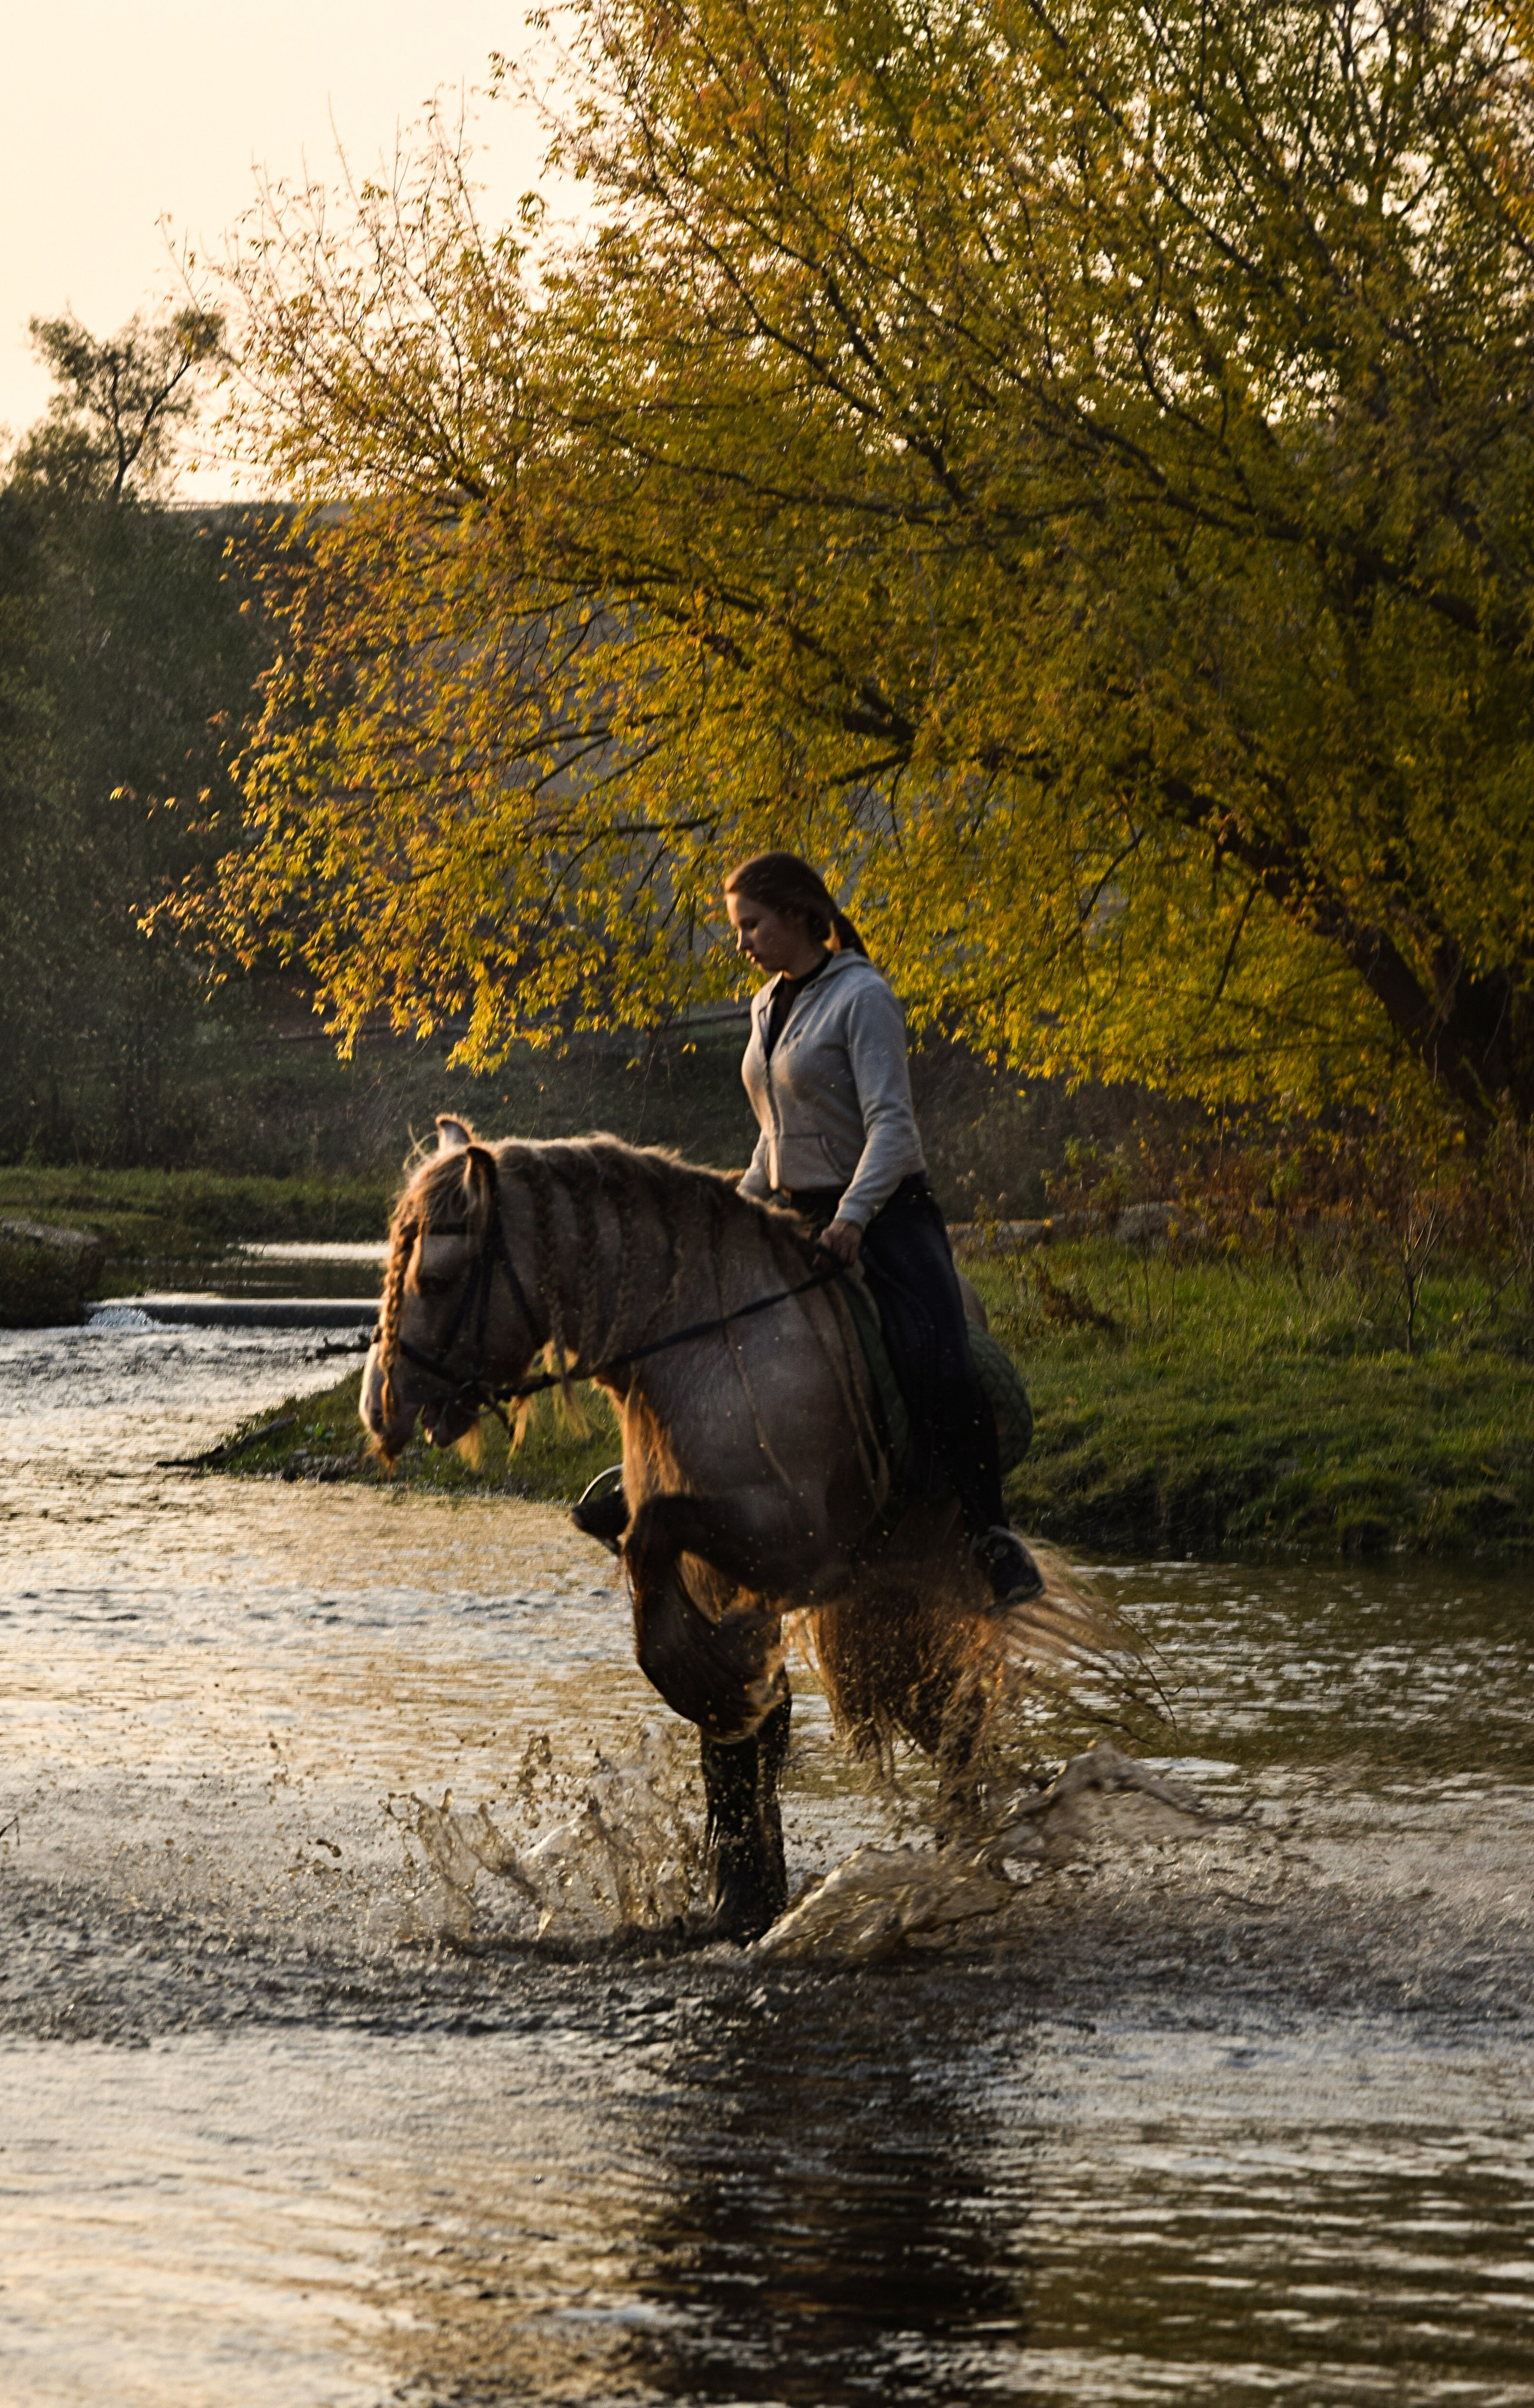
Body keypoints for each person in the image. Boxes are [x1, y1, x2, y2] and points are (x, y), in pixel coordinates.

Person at [726, 850, 1043, 1612]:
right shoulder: (766, 1004)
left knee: (936, 1358)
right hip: (794, 1212)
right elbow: (774, 1134)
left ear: (800, 915)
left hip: (885, 1213)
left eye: (751, 926)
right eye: (737, 929)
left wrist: (852, 1220)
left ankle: (989, 1535)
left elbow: (892, 1130)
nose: (742, 944)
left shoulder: (863, 996)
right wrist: (731, 1211)